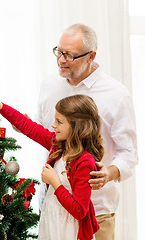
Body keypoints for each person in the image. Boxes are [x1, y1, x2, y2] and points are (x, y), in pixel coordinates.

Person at [36, 23, 138, 240]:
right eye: (59, 52)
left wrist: (109, 173)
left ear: (91, 57)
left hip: (96, 212)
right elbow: (47, 135)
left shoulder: (117, 95)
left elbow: (129, 153)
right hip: (52, 206)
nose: (61, 60)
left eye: (69, 55)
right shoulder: (50, 84)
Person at [0, 93, 102, 240]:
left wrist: (55, 183)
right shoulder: (56, 144)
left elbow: (79, 211)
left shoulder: (84, 162)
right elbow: (27, 125)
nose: (53, 125)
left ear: (76, 127)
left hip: (69, 230)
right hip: (51, 221)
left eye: (59, 121)